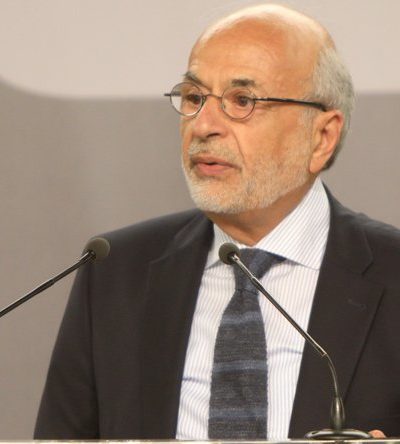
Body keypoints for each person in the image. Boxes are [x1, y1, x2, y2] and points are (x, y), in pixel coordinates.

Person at [34, 3, 400, 440]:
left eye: (242, 101)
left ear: (322, 136)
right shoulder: (115, 271)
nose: (203, 125)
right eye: (193, 98)